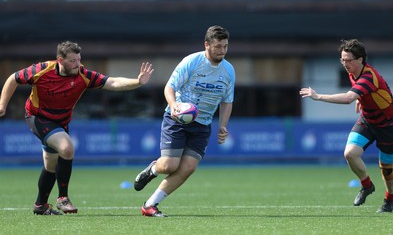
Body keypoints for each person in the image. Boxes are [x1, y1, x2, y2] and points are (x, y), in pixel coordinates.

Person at [0, 41, 154, 215]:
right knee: (66, 148)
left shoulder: (83, 74)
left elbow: (112, 82)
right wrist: (2, 104)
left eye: (79, 59)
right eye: (73, 61)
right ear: (60, 60)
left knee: (51, 165)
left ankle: (40, 205)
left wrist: (138, 81)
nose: (78, 64)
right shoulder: (42, 70)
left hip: (60, 122)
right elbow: (13, 78)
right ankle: (63, 198)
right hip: (37, 118)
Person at [133, 25, 235, 217]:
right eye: (218, 46)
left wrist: (222, 125)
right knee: (169, 166)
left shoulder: (228, 70)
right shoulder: (191, 62)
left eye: (226, 47)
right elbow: (169, 88)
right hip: (177, 120)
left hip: (203, 125)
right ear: (207, 45)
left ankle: (150, 205)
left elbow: (227, 101)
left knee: (188, 168)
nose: (222, 51)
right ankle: (153, 169)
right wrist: (173, 106)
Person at [299, 39, 393, 213]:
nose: (345, 64)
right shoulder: (353, 72)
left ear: (360, 59)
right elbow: (364, 94)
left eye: (349, 60)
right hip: (368, 120)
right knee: (350, 154)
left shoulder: (368, 76)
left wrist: (318, 96)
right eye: (342, 60)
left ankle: (390, 198)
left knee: (386, 169)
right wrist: (362, 100)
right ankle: (367, 186)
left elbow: (347, 98)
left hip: (389, 125)